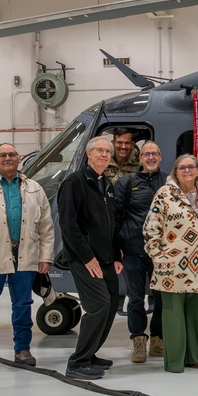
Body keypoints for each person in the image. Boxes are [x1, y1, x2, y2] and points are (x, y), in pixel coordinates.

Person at [0, 143, 54, 374]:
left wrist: (45, 256)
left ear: (18, 159)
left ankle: (22, 350)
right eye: (2, 155)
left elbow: (46, 226)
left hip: (25, 254)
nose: (7, 158)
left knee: (23, 304)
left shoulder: (35, 189)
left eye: (12, 154)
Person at [57, 136, 124, 380]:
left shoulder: (105, 183)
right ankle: (77, 362)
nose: (105, 155)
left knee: (112, 303)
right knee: (99, 306)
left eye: (108, 151)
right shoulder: (74, 183)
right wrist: (87, 258)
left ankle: (91, 352)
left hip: (106, 258)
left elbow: (111, 223)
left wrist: (116, 254)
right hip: (84, 259)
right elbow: (68, 225)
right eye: (99, 150)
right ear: (88, 154)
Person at [143, 155, 198, 373]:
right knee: (173, 315)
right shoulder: (165, 194)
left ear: (197, 169)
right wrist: (157, 256)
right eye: (182, 167)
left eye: (191, 166)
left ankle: (194, 355)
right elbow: (150, 229)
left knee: (196, 314)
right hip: (172, 267)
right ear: (175, 171)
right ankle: (175, 360)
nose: (187, 170)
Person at [114, 141, 167, 364]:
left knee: (163, 298)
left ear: (161, 157)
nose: (151, 157)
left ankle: (157, 338)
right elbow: (115, 216)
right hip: (133, 250)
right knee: (135, 299)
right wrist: (116, 247)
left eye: (154, 153)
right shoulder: (127, 182)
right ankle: (138, 340)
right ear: (140, 158)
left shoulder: (168, 182)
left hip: (162, 253)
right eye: (147, 154)